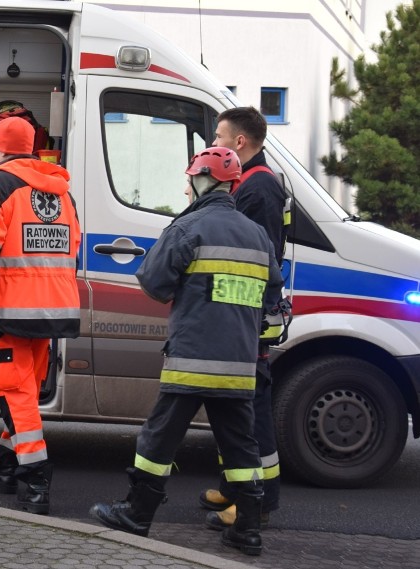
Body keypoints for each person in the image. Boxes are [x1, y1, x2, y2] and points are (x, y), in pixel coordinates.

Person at [89, 148, 283, 556]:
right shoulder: (257, 235)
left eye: (190, 178)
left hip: (192, 359)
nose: (186, 184)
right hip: (239, 366)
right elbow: (271, 296)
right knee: (241, 447)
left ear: (202, 181)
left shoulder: (188, 227)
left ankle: (137, 513)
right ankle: (248, 529)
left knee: (158, 439)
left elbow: (153, 282)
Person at [0, 117, 81, 515]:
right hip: (54, 309)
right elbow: (74, 245)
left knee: (15, 395)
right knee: (27, 392)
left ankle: (35, 481)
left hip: (8, 311)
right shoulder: (62, 191)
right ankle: (4, 463)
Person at [199, 106, 291, 530]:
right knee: (230, 407)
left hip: (248, 319)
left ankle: (261, 501)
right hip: (237, 315)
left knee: (251, 412)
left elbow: (260, 259)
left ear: (239, 142)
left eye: (218, 137)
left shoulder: (259, 188)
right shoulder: (247, 183)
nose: (212, 144)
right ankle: (234, 487)